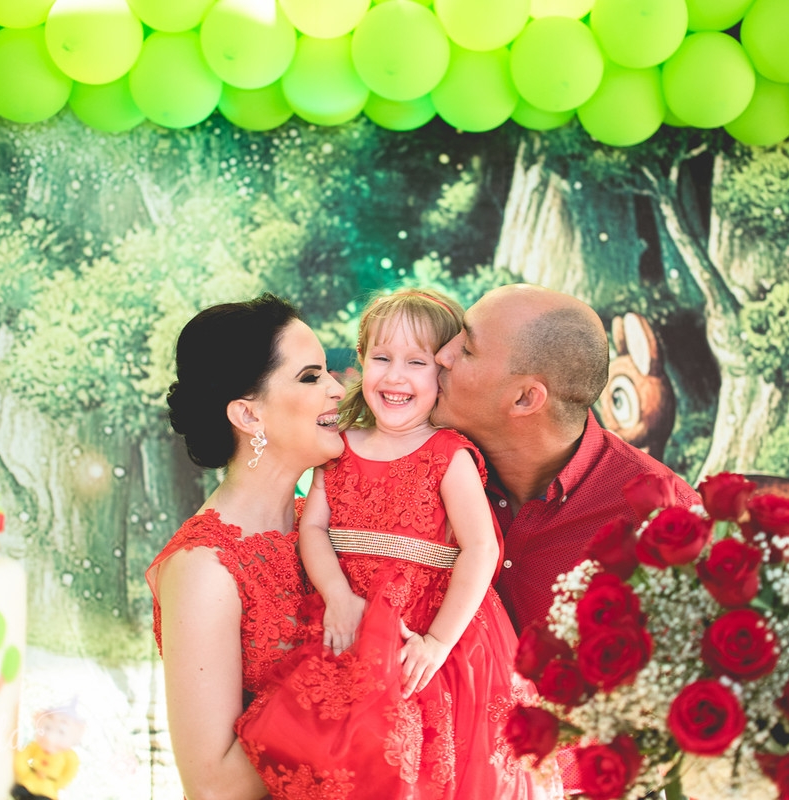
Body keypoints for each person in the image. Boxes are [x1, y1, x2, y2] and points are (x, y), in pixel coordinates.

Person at [236, 289, 554, 799]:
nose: (396, 376)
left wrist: (438, 642)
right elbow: (313, 530)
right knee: (353, 760)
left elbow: (482, 549)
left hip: (431, 633)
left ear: (442, 374)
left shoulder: (448, 454)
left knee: (433, 762)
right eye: (382, 358)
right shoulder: (338, 447)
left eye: (417, 362)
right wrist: (338, 595)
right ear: (362, 361)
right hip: (354, 620)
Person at [432, 283, 700, 794]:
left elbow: (674, 714)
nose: (439, 357)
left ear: (526, 397)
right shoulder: (423, 466)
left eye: (464, 348)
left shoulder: (661, 518)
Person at [146, 293, 347, 800]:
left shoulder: (327, 530)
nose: (338, 390)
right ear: (248, 415)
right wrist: (355, 678)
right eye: (311, 377)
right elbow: (213, 786)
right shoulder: (204, 569)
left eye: (328, 374)